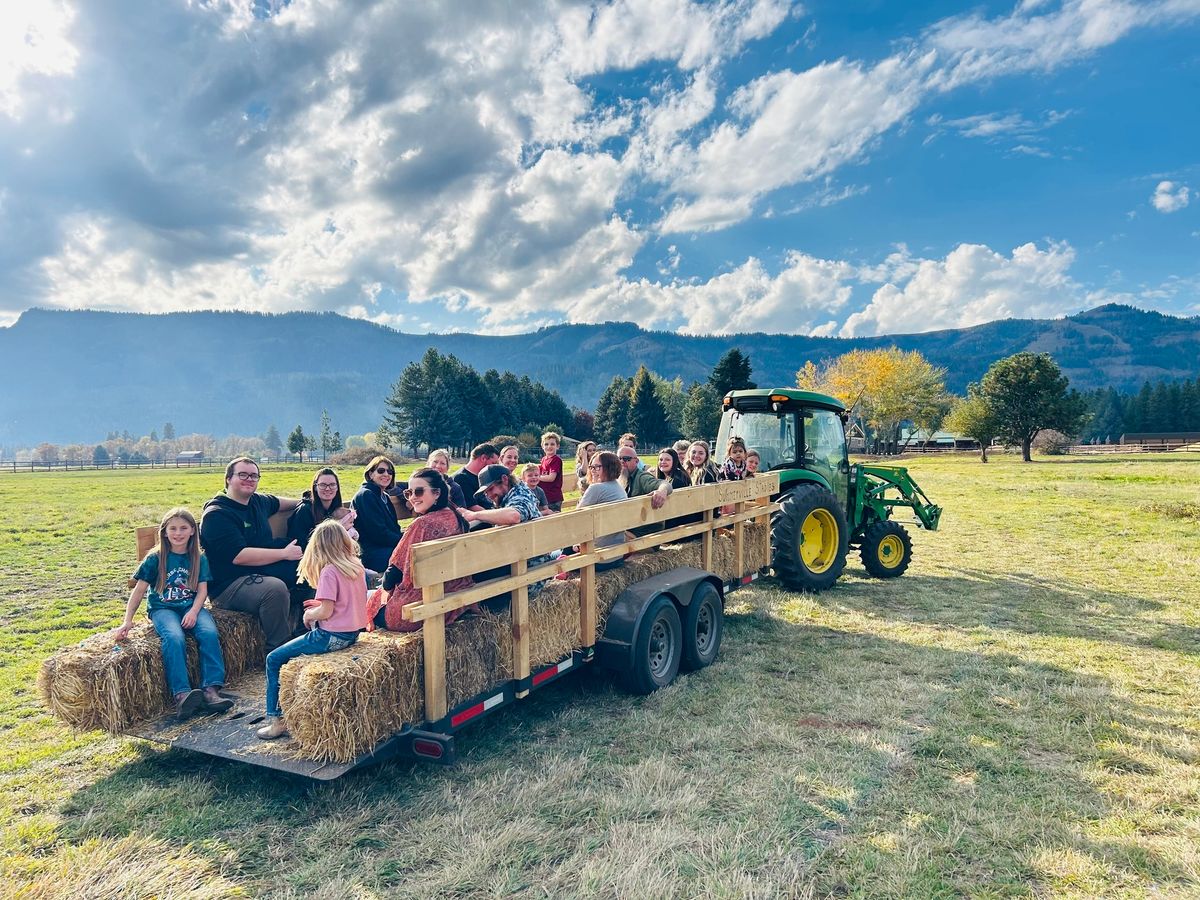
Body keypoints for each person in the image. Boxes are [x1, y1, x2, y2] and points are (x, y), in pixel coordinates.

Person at [114, 507, 233, 719]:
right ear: (165, 532)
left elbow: (202, 590)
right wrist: (127, 621)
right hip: (163, 608)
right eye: (173, 528)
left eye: (183, 528)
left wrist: (195, 612)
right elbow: (139, 590)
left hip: (190, 605)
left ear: (192, 531)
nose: (178, 533)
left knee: (209, 633)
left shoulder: (198, 558)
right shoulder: (155, 558)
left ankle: (211, 690)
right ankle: (182, 695)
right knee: (174, 637)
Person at [257, 520, 367, 740]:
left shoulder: (329, 571)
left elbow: (326, 612)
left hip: (330, 636)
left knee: (274, 659)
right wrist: (320, 608)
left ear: (318, 546)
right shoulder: (355, 565)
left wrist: (309, 615)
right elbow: (347, 603)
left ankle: (276, 720)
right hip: (352, 634)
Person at [200, 457, 301, 652]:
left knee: (309, 571)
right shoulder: (217, 514)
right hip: (229, 585)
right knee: (275, 589)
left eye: (254, 476)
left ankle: (306, 632)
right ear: (228, 478)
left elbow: (284, 504)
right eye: (243, 475)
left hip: (261, 570)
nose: (249, 479)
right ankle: (278, 650)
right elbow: (240, 556)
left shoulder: (257, 502)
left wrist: (310, 500)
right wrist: (283, 554)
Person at [366, 468, 476, 632]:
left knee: (366, 601)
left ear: (437, 493)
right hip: (453, 596)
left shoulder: (421, 524)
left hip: (416, 609)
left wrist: (384, 592)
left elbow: (392, 573)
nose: (412, 498)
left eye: (419, 491)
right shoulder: (455, 515)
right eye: (409, 492)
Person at [572, 451, 626, 571]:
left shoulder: (596, 488)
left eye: (597, 467)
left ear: (609, 467)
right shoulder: (619, 487)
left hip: (598, 559)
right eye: (592, 467)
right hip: (617, 556)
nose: (593, 470)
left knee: (553, 555)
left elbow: (574, 519)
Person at [351, 455, 403, 573]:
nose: (386, 474)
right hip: (370, 552)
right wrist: (404, 541)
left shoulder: (384, 497)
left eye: (390, 472)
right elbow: (378, 534)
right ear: (370, 474)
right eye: (381, 471)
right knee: (409, 557)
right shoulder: (366, 495)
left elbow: (394, 528)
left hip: (385, 547)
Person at [287, 468, 358, 549]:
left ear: (337, 487)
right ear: (315, 487)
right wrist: (338, 531)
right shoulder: (304, 510)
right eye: (323, 485)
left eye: (332, 484)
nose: (328, 489)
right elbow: (300, 545)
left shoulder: (337, 511)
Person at [461, 464, 543, 527]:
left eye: (491, 489)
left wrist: (475, 515)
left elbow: (514, 516)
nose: (489, 496)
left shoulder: (521, 494)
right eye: (486, 493)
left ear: (504, 479)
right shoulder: (507, 496)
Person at [618, 447, 672, 536]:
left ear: (636, 461)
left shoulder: (642, 477)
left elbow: (664, 483)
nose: (622, 462)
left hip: (644, 535)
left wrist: (662, 491)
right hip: (630, 529)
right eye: (619, 458)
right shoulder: (620, 478)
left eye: (626, 459)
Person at [452, 443, 500, 510]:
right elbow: (472, 507)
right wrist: (497, 516)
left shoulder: (484, 477)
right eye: (493, 463)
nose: (493, 467)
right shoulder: (461, 478)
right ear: (483, 458)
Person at [537, 431, 564, 511]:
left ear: (557, 446)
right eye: (546, 444)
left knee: (554, 520)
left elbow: (551, 478)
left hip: (553, 497)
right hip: (544, 497)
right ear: (542, 446)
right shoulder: (544, 459)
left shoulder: (556, 460)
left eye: (552, 444)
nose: (549, 446)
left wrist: (537, 478)